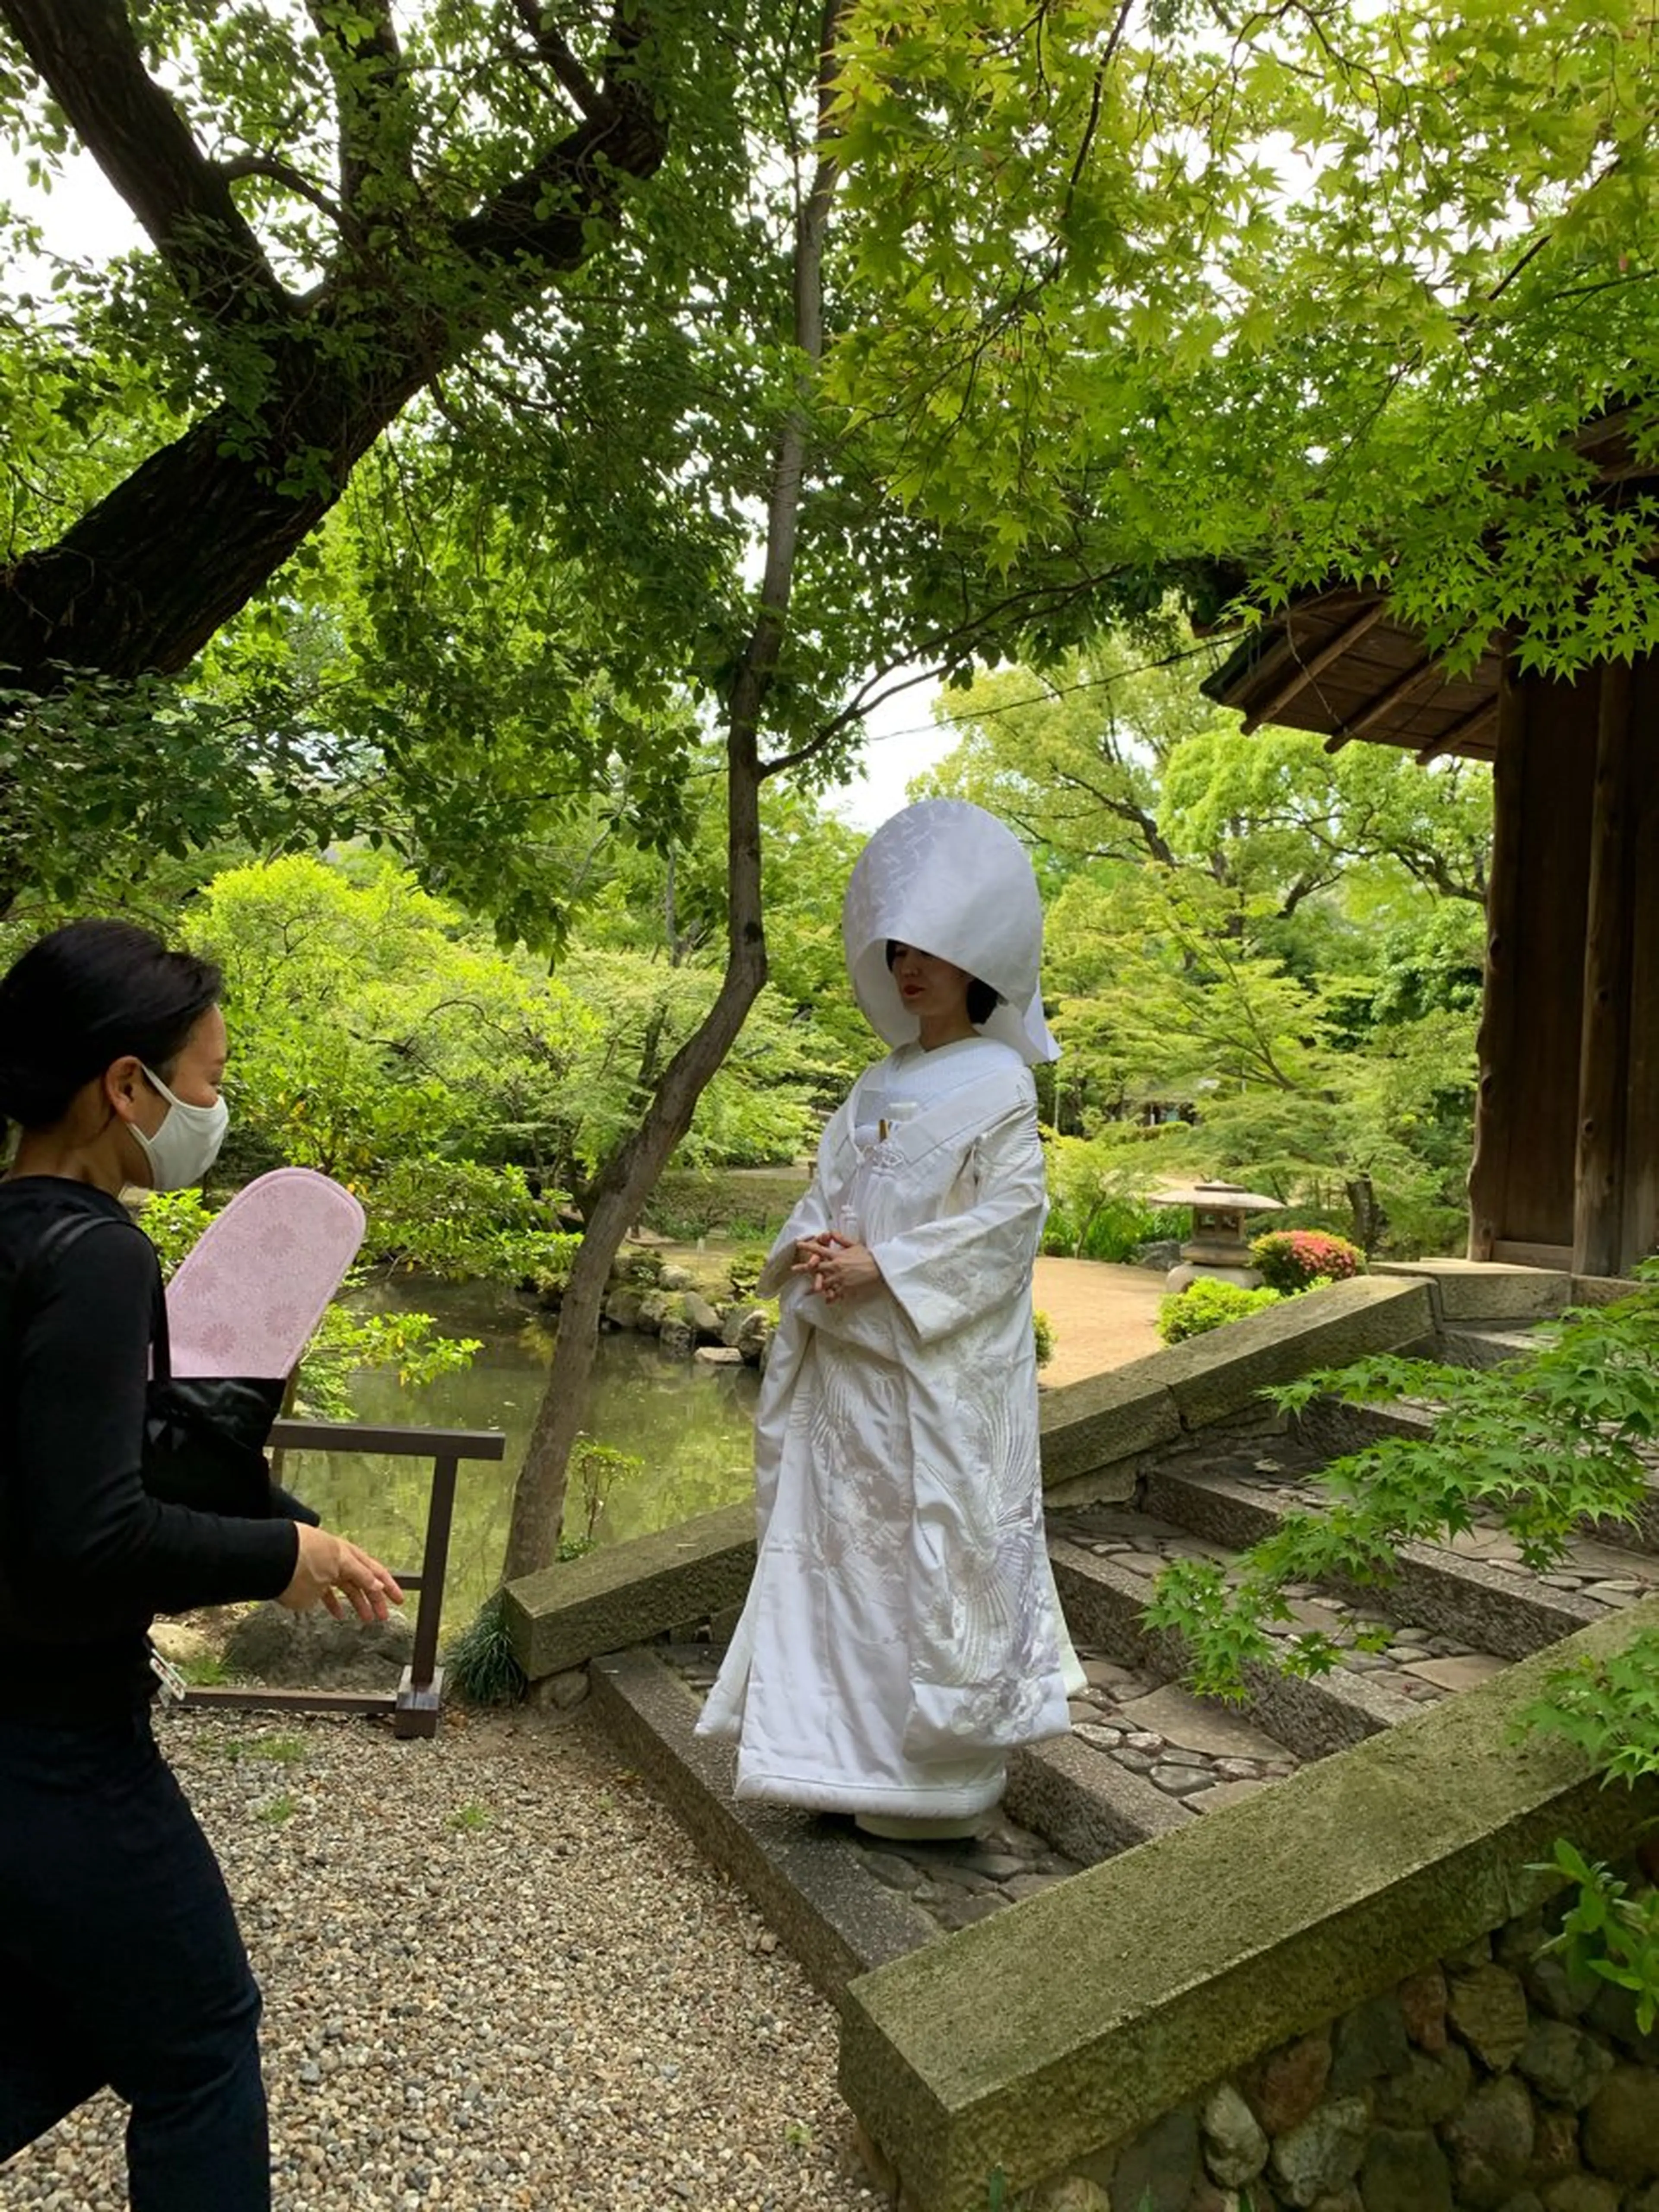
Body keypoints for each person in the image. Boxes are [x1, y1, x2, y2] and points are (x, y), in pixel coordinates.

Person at [0, 918, 403, 2210]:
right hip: (59, 1742)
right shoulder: (98, 1254)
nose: (213, 1113)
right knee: (202, 2043)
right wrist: (284, 1552)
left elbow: (56, 1487)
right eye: (209, 1081)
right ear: (128, 1087)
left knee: (83, 2014)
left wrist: (256, 1509)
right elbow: (93, 1537)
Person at [698, 799, 1082, 1840]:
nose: (911, 968)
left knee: (930, 1554)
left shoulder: (1003, 1082)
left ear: (976, 965)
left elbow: (1010, 1225)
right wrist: (818, 1249)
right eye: (899, 950)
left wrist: (891, 1266)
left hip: (929, 1370)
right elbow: (826, 1192)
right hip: (849, 1370)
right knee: (842, 1558)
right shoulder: (875, 1079)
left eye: (933, 952)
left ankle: (934, 1786)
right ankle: (833, 1761)